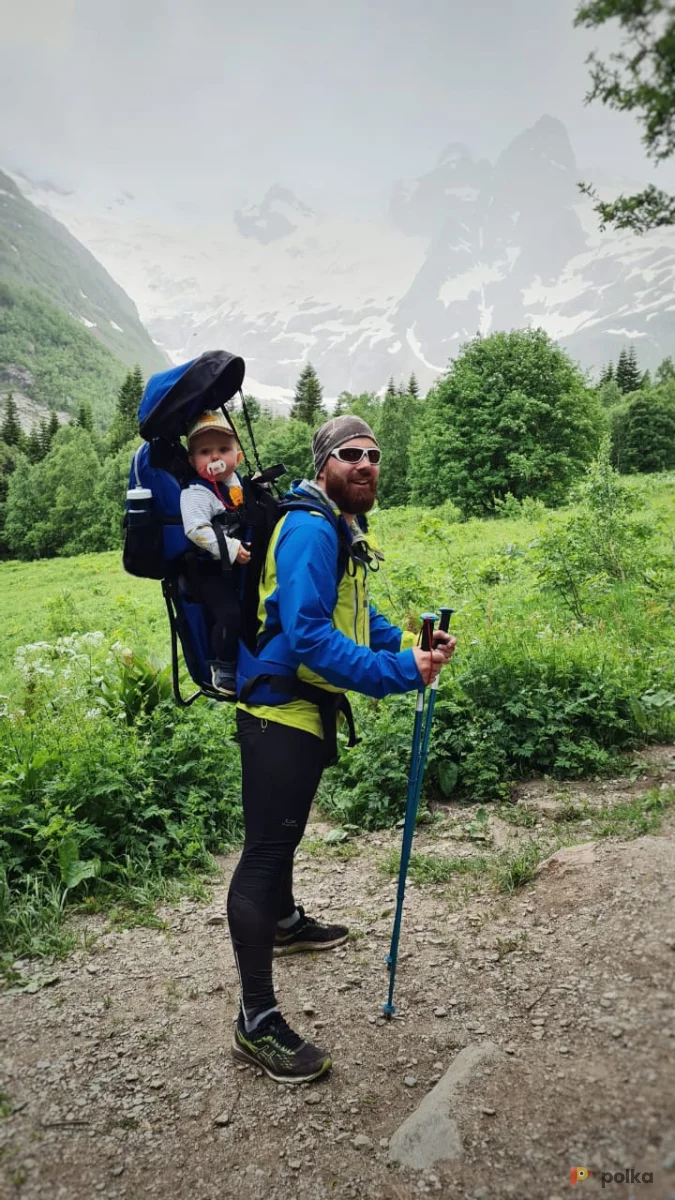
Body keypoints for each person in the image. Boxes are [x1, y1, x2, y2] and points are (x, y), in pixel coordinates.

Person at [228, 414, 456, 1083]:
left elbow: (355, 617)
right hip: (278, 710)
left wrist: (404, 644)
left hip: (302, 707)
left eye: (374, 455)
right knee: (265, 851)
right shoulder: (307, 528)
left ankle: (286, 921)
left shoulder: (338, 527)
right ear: (324, 463)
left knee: (284, 834)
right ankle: (255, 1021)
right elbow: (305, 636)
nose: (364, 464)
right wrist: (397, 674)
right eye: (349, 454)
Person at [180, 411, 251, 695]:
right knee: (229, 614)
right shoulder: (196, 492)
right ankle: (222, 667)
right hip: (208, 571)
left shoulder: (237, 483)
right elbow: (196, 529)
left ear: (238, 455)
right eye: (204, 451)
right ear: (192, 461)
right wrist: (230, 548)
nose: (214, 457)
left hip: (235, 567)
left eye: (223, 449)